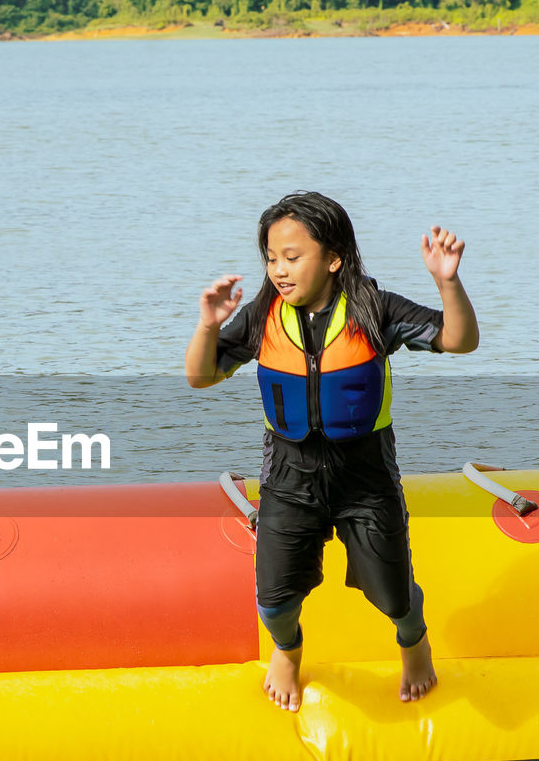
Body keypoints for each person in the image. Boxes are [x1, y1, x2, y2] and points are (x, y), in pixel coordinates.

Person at [184, 192, 479, 712]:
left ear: (334, 259)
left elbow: (459, 340)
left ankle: (414, 641)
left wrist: (447, 281)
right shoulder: (263, 314)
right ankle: (288, 651)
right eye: (271, 258)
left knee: (393, 595)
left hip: (365, 477)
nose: (278, 269)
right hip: (290, 476)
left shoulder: (374, 308)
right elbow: (200, 376)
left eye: (292, 257)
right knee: (274, 601)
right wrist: (208, 324)